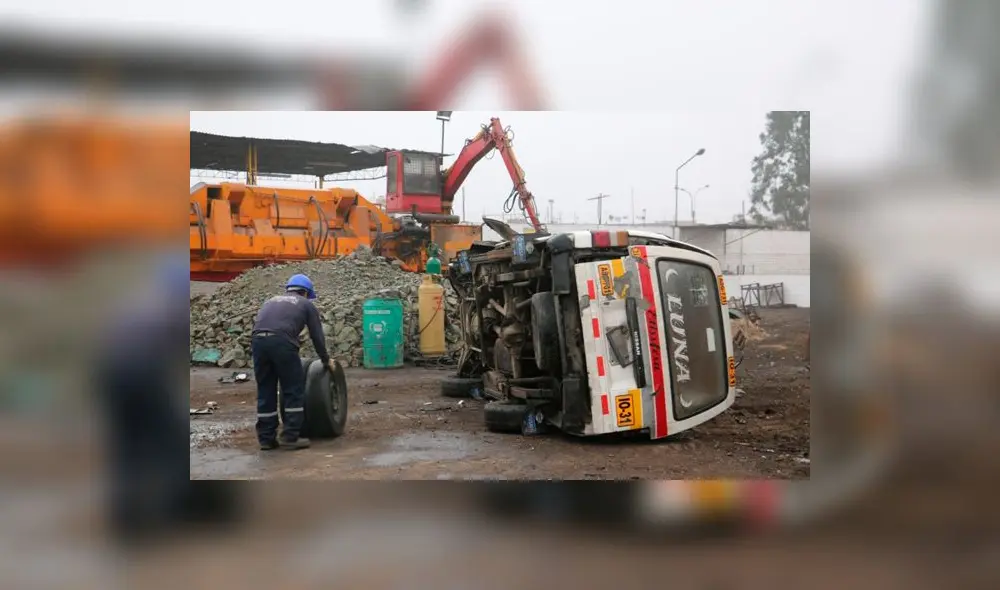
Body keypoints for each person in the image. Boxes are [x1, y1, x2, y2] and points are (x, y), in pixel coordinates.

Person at [250, 273, 335, 450]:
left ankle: (266, 439)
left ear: (289, 289)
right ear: (306, 292)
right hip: (282, 342)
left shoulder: (270, 301)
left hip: (258, 342)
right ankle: (290, 436)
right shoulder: (306, 304)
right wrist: (326, 360)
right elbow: (317, 335)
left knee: (266, 389)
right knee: (292, 389)